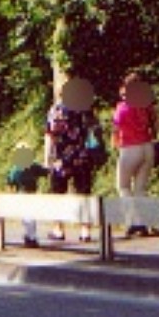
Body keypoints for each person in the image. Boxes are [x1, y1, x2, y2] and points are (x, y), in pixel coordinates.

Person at [45, 75, 103, 242]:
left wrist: (47, 158)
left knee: (58, 194)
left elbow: (50, 135)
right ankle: (85, 230)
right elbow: (95, 130)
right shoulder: (85, 109)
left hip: (61, 157)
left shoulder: (56, 110)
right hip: (82, 155)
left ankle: (58, 229)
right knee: (83, 193)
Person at [112, 72, 159, 236]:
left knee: (123, 186)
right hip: (147, 147)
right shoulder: (148, 105)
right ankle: (143, 223)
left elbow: (116, 128)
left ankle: (131, 221)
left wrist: (115, 144)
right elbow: (157, 123)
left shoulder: (123, 107)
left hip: (130, 147)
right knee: (140, 188)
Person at [5, 143, 49, 247]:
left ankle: (30, 237)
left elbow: (10, 182)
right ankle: (30, 236)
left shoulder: (17, 168)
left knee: (27, 217)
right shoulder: (32, 166)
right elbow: (46, 172)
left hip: (23, 194)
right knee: (30, 217)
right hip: (30, 194)